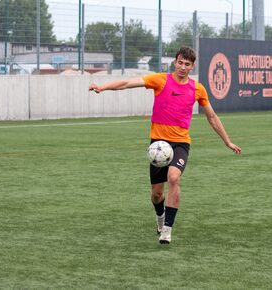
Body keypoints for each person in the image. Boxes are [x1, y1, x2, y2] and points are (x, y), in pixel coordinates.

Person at [89, 46, 241, 244]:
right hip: (158, 146)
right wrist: (103, 87)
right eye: (180, 62)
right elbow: (127, 83)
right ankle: (160, 218)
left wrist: (227, 141)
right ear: (175, 62)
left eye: (187, 64)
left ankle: (167, 231)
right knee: (156, 194)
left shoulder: (197, 89)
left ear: (192, 66)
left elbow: (211, 116)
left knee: (174, 177)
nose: (183, 67)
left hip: (180, 144)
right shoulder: (160, 80)